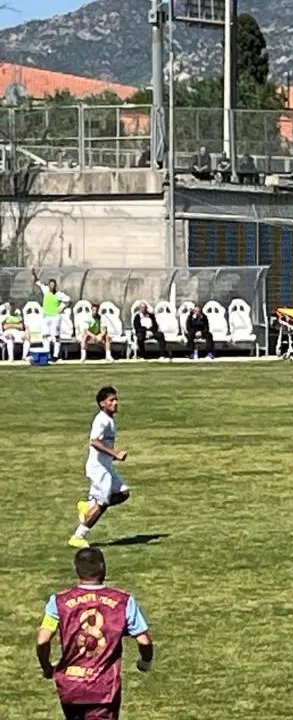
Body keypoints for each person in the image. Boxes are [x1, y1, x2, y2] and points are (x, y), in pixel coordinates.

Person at [37, 547, 154, 720]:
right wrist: (145, 662)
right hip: (104, 688)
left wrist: (47, 666)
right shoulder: (124, 601)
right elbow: (144, 641)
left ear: (77, 570)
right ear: (104, 568)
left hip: (70, 686)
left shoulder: (58, 601)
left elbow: (42, 640)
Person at [70, 387, 130, 549]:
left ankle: (89, 506)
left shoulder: (109, 420)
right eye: (111, 400)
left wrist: (110, 457)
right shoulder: (101, 420)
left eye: (116, 399)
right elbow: (94, 441)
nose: (115, 403)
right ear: (102, 403)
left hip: (106, 466)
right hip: (98, 469)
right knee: (102, 504)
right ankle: (78, 536)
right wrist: (115, 453)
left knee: (123, 493)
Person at [32, 268, 71, 359]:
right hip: (46, 316)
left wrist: (63, 308)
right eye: (50, 284)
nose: (51, 286)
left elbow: (69, 301)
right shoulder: (45, 290)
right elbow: (38, 282)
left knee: (55, 336)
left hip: (55, 317)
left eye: (53, 285)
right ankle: (47, 353)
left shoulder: (59, 294)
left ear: (55, 286)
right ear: (49, 285)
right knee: (45, 335)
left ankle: (55, 355)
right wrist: (34, 274)